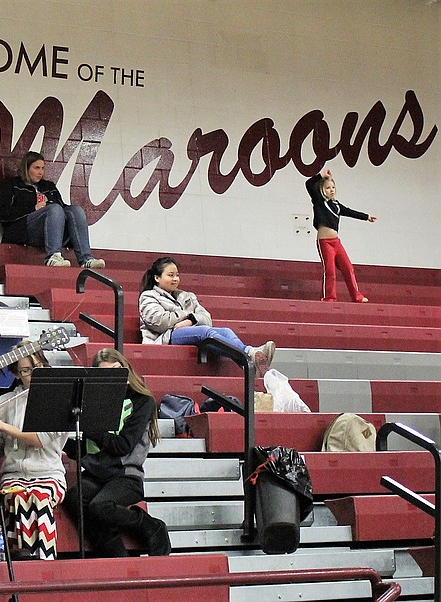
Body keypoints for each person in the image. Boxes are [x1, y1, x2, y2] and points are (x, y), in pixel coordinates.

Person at [61, 348, 170, 557]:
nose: (114, 377)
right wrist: (57, 441)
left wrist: (88, 427)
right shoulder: (94, 403)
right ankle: (115, 554)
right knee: (74, 498)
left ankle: (150, 526)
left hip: (126, 476)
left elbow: (123, 445)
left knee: (100, 507)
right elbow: (88, 448)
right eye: (105, 374)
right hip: (96, 474)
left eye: (117, 370)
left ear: (125, 368)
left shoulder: (141, 401)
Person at [0, 344, 68, 560]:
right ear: (15, 373)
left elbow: (39, 440)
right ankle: (21, 560)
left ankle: (43, 562)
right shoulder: (6, 401)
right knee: (17, 498)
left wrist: (2, 425)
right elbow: (0, 449)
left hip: (49, 475)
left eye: (36, 367)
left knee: (38, 498)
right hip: (13, 476)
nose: (31, 375)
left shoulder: (56, 399)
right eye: (24, 370)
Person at [139, 256, 276, 372]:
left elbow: (206, 318)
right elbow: (159, 322)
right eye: (170, 275)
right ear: (157, 278)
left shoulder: (187, 296)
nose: (175, 279)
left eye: (177, 275)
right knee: (205, 332)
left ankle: (249, 365)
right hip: (165, 337)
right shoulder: (148, 296)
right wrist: (188, 315)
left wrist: (191, 320)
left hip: (190, 330)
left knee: (226, 331)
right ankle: (249, 354)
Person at [0, 151, 104, 269]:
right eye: (36, 168)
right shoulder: (11, 185)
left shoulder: (48, 186)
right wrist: (33, 208)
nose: (40, 172)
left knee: (75, 210)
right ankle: (54, 256)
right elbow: (4, 213)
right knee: (54, 209)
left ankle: (86, 258)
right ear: (26, 168)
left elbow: (62, 207)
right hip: (25, 230)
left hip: (52, 230)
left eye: (42, 168)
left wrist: (49, 205)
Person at [306, 168, 376, 303]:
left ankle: (357, 296)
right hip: (325, 242)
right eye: (327, 188)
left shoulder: (336, 205)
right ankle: (329, 297)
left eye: (333, 187)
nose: (331, 190)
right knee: (330, 271)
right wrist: (321, 175)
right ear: (321, 190)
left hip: (336, 242)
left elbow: (350, 212)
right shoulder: (319, 201)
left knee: (348, 267)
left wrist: (366, 217)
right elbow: (308, 184)